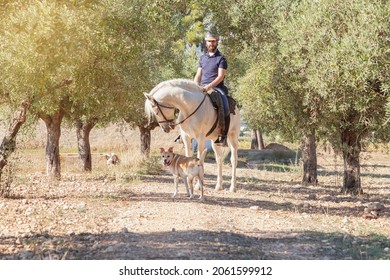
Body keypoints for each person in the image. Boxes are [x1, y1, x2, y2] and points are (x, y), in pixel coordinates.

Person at [194, 32, 230, 146]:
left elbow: (220, 77)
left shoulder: (221, 59)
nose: (211, 43)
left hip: (216, 88)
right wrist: (195, 85)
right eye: (209, 41)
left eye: (213, 41)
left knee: (225, 106)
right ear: (206, 42)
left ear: (217, 42)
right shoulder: (202, 58)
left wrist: (208, 86)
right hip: (202, 87)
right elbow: (198, 74)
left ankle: (223, 135)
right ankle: (184, 132)